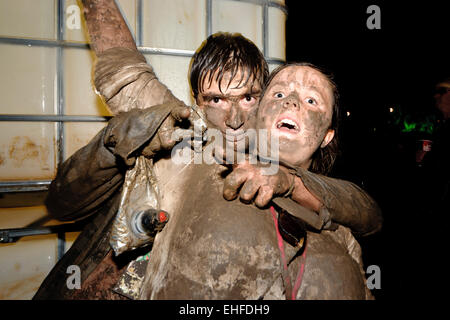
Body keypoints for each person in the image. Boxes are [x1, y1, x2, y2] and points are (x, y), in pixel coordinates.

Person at [33, 0, 382, 299]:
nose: (232, 119)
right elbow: (125, 74)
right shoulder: (180, 142)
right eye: (215, 100)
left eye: (249, 97)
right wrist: (118, 139)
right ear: (197, 104)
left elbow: (368, 213)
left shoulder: (326, 208)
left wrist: (291, 183)